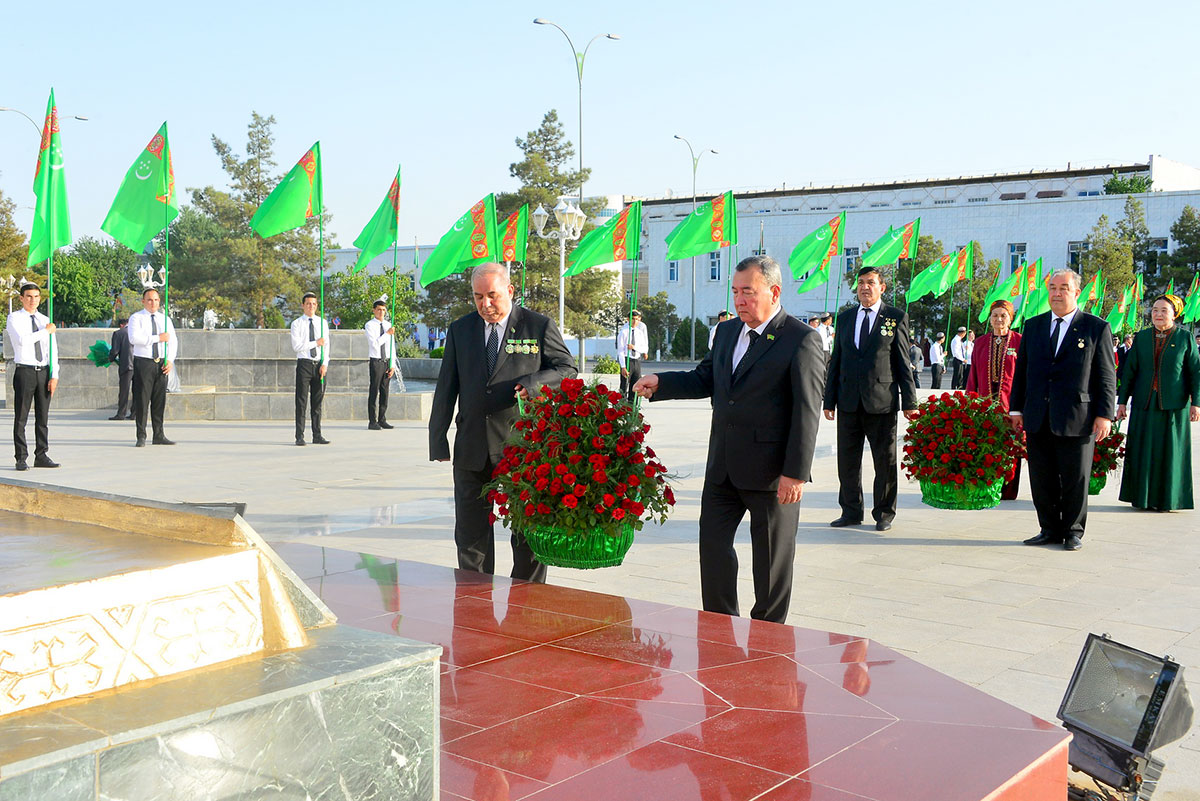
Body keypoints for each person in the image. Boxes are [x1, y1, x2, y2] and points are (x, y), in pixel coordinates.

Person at [634, 255, 823, 623]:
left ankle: (768, 637)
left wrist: (795, 473)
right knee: (714, 550)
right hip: (723, 467)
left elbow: (807, 411)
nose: (739, 301)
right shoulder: (726, 332)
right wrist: (663, 383)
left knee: (771, 563)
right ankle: (720, 628)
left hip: (772, 475)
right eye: (735, 292)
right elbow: (706, 378)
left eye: (748, 292)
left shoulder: (801, 340)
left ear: (774, 292)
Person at [429, 263, 575, 583]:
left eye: (492, 296)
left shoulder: (537, 326)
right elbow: (446, 387)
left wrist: (535, 383)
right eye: (478, 297)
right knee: (471, 535)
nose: (486, 304)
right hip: (472, 447)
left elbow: (567, 368)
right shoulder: (461, 330)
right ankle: (474, 601)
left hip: (521, 447)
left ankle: (526, 604)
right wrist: (437, 438)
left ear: (509, 291)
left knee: (527, 536)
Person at [1010, 268, 1116, 551]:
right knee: (1041, 478)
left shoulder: (1096, 327)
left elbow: (1106, 376)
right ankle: (1048, 528)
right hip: (1037, 415)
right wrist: (1016, 409)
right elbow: (1022, 372)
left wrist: (1105, 415)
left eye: (1064, 288)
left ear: (1076, 292)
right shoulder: (1033, 326)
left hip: (1077, 416)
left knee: (1075, 477)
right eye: (1053, 287)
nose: (1057, 293)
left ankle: (1073, 531)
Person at [824, 266, 919, 531]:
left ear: (882, 287)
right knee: (848, 461)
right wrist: (828, 400)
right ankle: (851, 511)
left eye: (871, 282)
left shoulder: (895, 318)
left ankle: (884, 513)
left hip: (882, 402)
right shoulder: (845, 319)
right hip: (848, 402)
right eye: (861, 282)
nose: (865, 287)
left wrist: (909, 402)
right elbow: (836, 361)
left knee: (884, 462)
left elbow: (902, 362)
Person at [1116, 294, 1200, 511]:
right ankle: (1141, 498)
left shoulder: (1185, 338)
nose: (1158, 314)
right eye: (1154, 310)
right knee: (1143, 450)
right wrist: (1122, 402)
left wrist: (1196, 403)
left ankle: (1168, 499)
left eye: (1164, 310)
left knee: (1170, 452)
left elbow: (1195, 373)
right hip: (1145, 403)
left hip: (1174, 405)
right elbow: (1129, 372)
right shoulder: (1142, 337)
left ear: (1175, 314)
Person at [966, 299, 1023, 500]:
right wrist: (970, 402)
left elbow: (1025, 375)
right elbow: (972, 375)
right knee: (986, 445)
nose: (999, 319)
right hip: (985, 404)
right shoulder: (980, 343)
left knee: (1010, 448)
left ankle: (1008, 490)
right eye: (995, 315)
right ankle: (987, 486)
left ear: (1011, 318)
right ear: (990, 319)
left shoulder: (1019, 341)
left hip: (1012, 405)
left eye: (1003, 315)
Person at [7, 283, 60, 470]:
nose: (33, 300)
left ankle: (42, 454)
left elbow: (51, 350)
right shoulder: (14, 318)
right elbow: (23, 341)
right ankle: (21, 457)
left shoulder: (45, 319)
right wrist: (45, 331)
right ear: (21, 298)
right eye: (29, 296)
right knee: (21, 416)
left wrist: (54, 375)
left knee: (42, 416)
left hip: (43, 371)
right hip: (25, 371)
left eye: (36, 296)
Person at [127, 287, 177, 447]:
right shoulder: (137, 318)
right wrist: (157, 338)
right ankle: (141, 435)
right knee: (142, 400)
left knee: (159, 400)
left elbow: (173, 341)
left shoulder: (165, 319)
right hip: (144, 363)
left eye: (156, 300)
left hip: (161, 362)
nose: (153, 303)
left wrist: (169, 360)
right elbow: (135, 338)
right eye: (149, 300)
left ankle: (159, 434)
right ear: (143, 301)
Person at [290, 292, 330, 446]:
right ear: (303, 305)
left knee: (317, 402)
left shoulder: (322, 323)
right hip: (304, 364)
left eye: (314, 304)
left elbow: (327, 345)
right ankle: (299, 436)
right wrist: (315, 343)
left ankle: (317, 434)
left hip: (318, 365)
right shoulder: (297, 324)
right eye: (308, 304)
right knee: (301, 401)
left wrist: (325, 363)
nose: (311, 306)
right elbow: (297, 346)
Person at [364, 300, 396, 430]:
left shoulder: (389, 325)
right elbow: (375, 344)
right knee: (374, 390)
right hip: (376, 361)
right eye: (378, 310)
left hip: (386, 360)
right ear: (374, 310)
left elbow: (391, 346)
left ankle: (382, 419)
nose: (381, 312)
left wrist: (392, 364)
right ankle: (372, 420)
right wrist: (387, 334)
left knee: (385, 391)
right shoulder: (370, 325)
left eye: (383, 310)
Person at [616, 309, 648, 401]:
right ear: (628, 319)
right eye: (633, 319)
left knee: (636, 385)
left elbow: (643, 348)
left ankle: (632, 407)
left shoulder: (639, 333)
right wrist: (623, 366)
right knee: (624, 385)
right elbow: (621, 351)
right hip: (627, 359)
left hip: (636, 360)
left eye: (637, 319)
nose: (635, 321)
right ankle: (622, 405)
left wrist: (634, 347)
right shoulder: (624, 332)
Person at [108, 317, 133, 420]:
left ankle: (121, 413)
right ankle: (134, 413)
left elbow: (115, 351)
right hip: (139, 364)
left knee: (124, 390)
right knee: (137, 390)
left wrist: (110, 359)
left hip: (126, 365)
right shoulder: (137, 332)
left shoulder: (118, 333)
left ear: (121, 325)